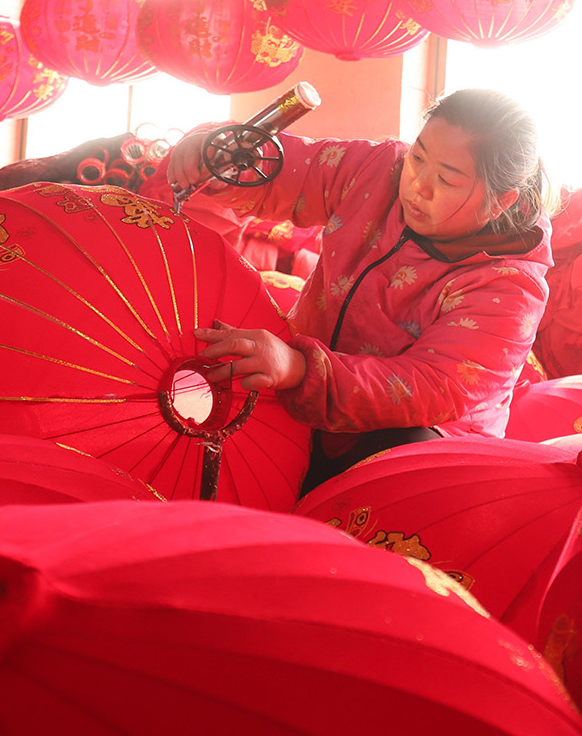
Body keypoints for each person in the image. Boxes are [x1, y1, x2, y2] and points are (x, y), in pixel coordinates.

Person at [171, 88, 555, 495]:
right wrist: (220, 157)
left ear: (501, 202)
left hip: (417, 447)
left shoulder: (510, 285)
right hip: (301, 389)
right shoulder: (379, 169)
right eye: (419, 157)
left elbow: (431, 386)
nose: (418, 186)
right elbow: (292, 171)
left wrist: (301, 368)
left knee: (384, 474)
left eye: (446, 179)